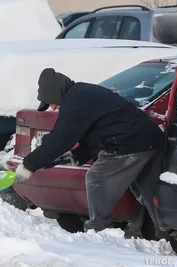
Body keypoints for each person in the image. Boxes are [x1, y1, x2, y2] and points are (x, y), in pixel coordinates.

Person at [15, 68, 165, 233]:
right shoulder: (82, 93)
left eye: (50, 102)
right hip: (148, 139)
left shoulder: (76, 102)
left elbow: (60, 139)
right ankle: (163, 232)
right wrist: (77, 155)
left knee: (96, 178)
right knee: (148, 191)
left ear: (55, 94)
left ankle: (97, 230)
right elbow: (97, 132)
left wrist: (29, 164)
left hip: (129, 143)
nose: (52, 108)